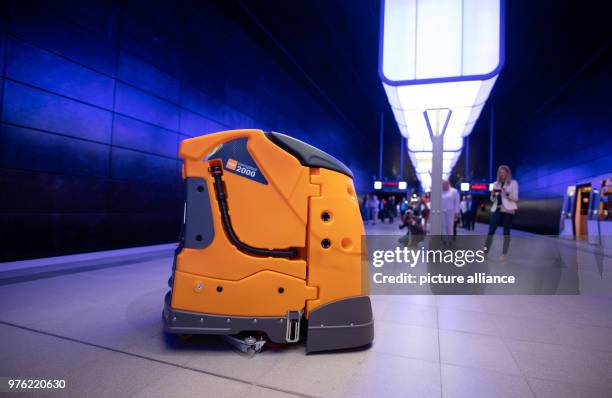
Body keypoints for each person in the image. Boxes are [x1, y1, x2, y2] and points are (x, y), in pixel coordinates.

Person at [485, 165, 519, 260]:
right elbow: (492, 199)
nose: (501, 174)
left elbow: (515, 198)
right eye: (500, 172)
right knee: (491, 231)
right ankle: (485, 252)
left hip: (508, 210)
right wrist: (492, 194)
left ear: (507, 173)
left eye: (503, 172)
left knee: (506, 232)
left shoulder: (513, 183)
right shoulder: (495, 184)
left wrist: (506, 193)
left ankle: (504, 254)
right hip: (497, 209)